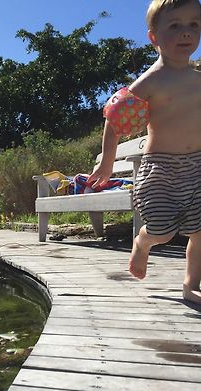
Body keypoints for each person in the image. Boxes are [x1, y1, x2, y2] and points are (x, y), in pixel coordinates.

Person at [88, 0, 201, 304]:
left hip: (197, 167)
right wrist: (108, 163)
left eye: (194, 24)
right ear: (154, 37)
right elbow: (114, 118)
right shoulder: (151, 81)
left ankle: (191, 285)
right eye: (175, 25)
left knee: (200, 231)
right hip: (160, 169)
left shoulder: (199, 78)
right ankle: (143, 241)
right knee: (163, 231)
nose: (186, 33)